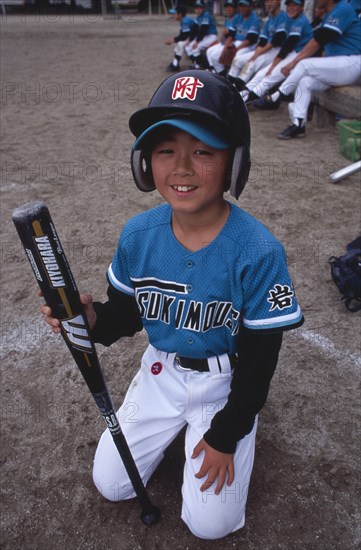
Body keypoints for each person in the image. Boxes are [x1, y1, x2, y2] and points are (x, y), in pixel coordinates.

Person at [40, 70, 304, 540]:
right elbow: (123, 316)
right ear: (145, 162)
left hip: (226, 382)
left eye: (202, 151)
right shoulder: (139, 235)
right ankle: (174, 431)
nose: (181, 167)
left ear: (233, 163)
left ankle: (225, 431)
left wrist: (229, 431)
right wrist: (88, 318)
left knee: (210, 525)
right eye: (165, 150)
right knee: (113, 484)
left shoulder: (258, 250)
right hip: (161, 374)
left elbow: (262, 356)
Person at [269, 0, 361, 139]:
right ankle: (298, 125)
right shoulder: (331, 13)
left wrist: (293, 63)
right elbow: (324, 45)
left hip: (350, 63)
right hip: (337, 67)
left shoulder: (343, 8)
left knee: (303, 64)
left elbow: (318, 41)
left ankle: (278, 95)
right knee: (305, 82)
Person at [241, 0, 313, 106]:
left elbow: (288, 46)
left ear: (302, 7)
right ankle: (242, 94)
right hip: (292, 53)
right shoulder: (290, 19)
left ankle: (245, 101)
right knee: (262, 73)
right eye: (289, 5)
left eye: (295, 5)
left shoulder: (301, 21)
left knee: (271, 76)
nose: (291, 8)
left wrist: (273, 65)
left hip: (301, 55)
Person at [228, 0, 290, 89]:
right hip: (267, 49)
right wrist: (256, 52)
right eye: (267, 2)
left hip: (278, 50)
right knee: (237, 60)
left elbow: (276, 41)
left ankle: (238, 91)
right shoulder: (270, 19)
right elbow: (263, 40)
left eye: (271, 1)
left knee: (252, 64)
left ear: (278, 2)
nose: (268, 4)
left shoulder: (284, 17)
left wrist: (257, 54)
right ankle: (229, 87)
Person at [207, 0, 261, 75]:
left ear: (250, 7)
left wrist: (235, 49)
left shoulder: (254, 19)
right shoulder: (238, 17)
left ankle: (234, 79)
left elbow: (250, 40)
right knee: (214, 56)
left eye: (245, 6)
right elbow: (231, 36)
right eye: (241, 6)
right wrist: (225, 48)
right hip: (236, 42)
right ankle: (222, 76)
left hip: (249, 46)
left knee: (237, 57)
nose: (242, 8)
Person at [185, 0, 218, 69]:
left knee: (196, 48)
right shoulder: (198, 18)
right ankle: (196, 64)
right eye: (197, 8)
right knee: (188, 47)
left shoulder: (206, 15)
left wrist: (197, 41)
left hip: (211, 36)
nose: (198, 10)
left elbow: (204, 29)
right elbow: (194, 30)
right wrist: (189, 40)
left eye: (200, 8)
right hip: (205, 36)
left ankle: (201, 66)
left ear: (203, 8)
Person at [165, 6, 195, 72]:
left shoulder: (185, 21)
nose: (173, 15)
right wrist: (174, 39)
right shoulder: (183, 20)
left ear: (180, 14)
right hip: (194, 37)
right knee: (179, 44)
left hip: (198, 37)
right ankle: (175, 64)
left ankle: (176, 65)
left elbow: (184, 36)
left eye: (175, 13)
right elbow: (182, 35)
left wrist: (173, 40)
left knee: (181, 44)